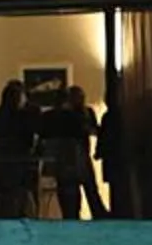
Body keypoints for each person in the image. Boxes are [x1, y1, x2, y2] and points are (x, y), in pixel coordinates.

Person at [44, 84, 103, 219]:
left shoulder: (61, 115)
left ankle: (76, 217)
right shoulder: (79, 114)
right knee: (85, 191)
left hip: (73, 156)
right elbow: (91, 130)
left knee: (74, 192)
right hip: (77, 155)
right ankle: (94, 216)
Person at [0, 80, 37, 217]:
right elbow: (28, 136)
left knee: (6, 194)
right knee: (22, 193)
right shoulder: (25, 115)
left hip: (3, 158)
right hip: (21, 157)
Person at [96, 87, 126, 219]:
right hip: (117, 156)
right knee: (117, 185)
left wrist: (99, 151)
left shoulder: (108, 117)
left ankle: (116, 209)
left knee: (114, 185)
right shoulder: (124, 116)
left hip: (111, 156)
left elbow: (104, 136)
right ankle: (118, 209)